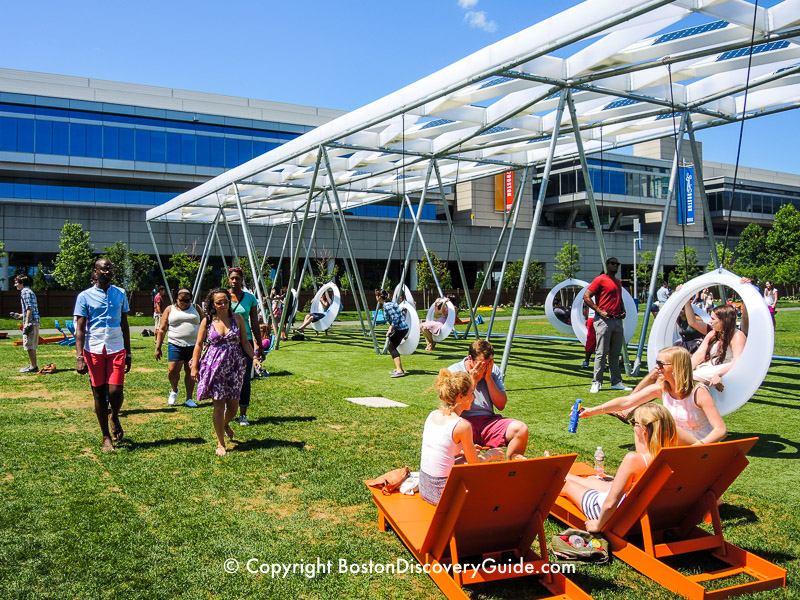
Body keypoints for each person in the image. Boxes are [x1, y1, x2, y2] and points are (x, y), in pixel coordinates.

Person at [560, 403, 678, 532]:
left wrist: (598, 525)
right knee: (592, 481)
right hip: (647, 513)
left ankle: (554, 474)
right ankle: (562, 472)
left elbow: (610, 504)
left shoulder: (634, 460)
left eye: (634, 423)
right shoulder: (674, 457)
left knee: (567, 486)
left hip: (611, 515)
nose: (633, 427)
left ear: (643, 429)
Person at [580, 345, 727, 445]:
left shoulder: (698, 393)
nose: (657, 367)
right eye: (657, 363)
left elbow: (721, 430)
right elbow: (627, 401)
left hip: (700, 445)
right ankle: (644, 462)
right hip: (675, 443)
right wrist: (593, 411)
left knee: (659, 421)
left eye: (661, 364)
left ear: (676, 367)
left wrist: (700, 447)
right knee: (639, 423)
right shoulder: (662, 388)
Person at [191, 289, 262, 456]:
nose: (223, 305)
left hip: (235, 366)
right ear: (213, 305)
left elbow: (244, 342)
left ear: (229, 302)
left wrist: (254, 357)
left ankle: (223, 424)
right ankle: (220, 442)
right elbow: (198, 344)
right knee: (219, 404)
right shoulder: (207, 320)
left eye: (225, 301)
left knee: (233, 407)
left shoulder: (237, 319)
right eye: (219, 302)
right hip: (213, 367)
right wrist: (194, 365)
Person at [419, 369, 505, 505]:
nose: (474, 398)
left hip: (425, 488)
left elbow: (441, 450)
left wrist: (464, 451)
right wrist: (490, 455)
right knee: (484, 469)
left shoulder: (433, 415)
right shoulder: (462, 426)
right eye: (472, 393)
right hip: (442, 495)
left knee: (463, 460)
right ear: (460, 397)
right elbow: (475, 464)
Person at [74, 258, 132, 452]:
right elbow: (80, 329)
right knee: (99, 393)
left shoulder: (120, 293)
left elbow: (124, 324)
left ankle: (114, 416)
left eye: (110, 268)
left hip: (116, 346)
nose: (107, 271)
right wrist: (79, 356)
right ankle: (106, 436)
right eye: (103, 269)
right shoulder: (84, 296)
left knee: (116, 391)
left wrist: (129, 352)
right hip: (94, 348)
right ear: (95, 272)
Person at [447, 340, 529, 460]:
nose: (485, 368)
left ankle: (513, 466)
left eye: (488, 364)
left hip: (488, 421)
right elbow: (452, 408)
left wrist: (489, 379)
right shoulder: (454, 372)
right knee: (454, 432)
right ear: (470, 359)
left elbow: (501, 405)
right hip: (464, 421)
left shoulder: (493, 370)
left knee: (521, 429)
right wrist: (472, 381)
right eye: (481, 364)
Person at [583, 258, 632, 393]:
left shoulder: (617, 282)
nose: (616, 266)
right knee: (601, 352)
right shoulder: (600, 279)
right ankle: (596, 382)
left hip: (617, 320)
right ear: (607, 265)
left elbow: (619, 297)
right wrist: (598, 310)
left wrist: (623, 310)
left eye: (617, 264)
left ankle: (616, 382)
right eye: (613, 263)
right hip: (604, 320)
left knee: (615, 354)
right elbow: (586, 296)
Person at [227, 267, 264, 426]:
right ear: (228, 280)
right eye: (232, 278)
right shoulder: (223, 297)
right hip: (227, 342)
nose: (235, 281)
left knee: (244, 379)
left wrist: (260, 345)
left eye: (237, 278)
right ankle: (227, 409)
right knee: (227, 376)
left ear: (242, 280)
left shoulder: (250, 298)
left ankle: (243, 413)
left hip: (245, 340)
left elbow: (255, 323)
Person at [154, 288, 203, 407]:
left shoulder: (196, 308)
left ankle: (189, 398)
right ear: (176, 299)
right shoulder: (170, 309)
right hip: (175, 344)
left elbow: (204, 324)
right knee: (172, 370)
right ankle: (174, 390)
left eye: (188, 300)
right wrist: (158, 347)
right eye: (182, 300)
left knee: (190, 370)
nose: (186, 303)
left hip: (193, 345)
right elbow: (162, 328)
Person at [691, 304, 746, 392]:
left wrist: (718, 374)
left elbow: (739, 362)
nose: (710, 321)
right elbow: (699, 354)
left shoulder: (737, 336)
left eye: (713, 319)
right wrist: (685, 369)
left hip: (727, 369)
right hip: (712, 366)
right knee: (683, 376)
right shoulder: (712, 334)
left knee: (691, 377)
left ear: (723, 320)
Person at [376, 289, 409, 378]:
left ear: (379, 297)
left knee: (391, 347)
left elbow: (395, 319)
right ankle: (399, 369)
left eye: (376, 296)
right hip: (403, 328)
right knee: (393, 345)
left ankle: (399, 370)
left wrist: (390, 330)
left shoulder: (387, 306)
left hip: (401, 329)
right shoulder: (392, 303)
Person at [11, 274, 40, 373]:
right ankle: (33, 365)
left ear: (22, 283)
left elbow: (29, 308)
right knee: (31, 345)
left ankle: (33, 367)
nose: (15, 285)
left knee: (29, 345)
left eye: (16, 283)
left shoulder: (25, 292)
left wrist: (26, 322)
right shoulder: (29, 291)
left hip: (31, 322)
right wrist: (20, 315)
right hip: (34, 321)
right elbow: (31, 309)